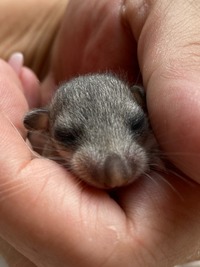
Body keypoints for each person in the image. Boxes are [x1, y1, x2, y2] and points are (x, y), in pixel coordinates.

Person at [0, 0, 199, 266]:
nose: (115, 168)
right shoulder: (40, 144)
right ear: (41, 129)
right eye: (69, 135)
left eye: (135, 125)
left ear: (144, 104)